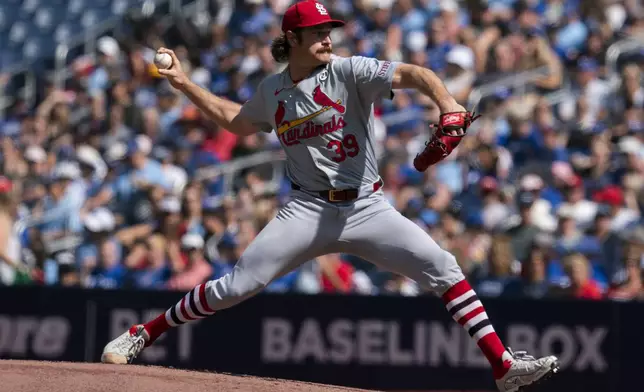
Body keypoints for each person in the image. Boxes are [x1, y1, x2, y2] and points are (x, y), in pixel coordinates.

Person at [101, 2, 559, 390]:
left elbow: (416, 73)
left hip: (366, 206)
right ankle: (142, 332)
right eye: (317, 32)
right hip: (307, 208)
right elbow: (236, 120)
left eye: (328, 31)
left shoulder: (349, 71)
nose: (327, 39)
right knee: (237, 286)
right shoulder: (274, 90)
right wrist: (183, 84)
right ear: (292, 39)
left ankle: (503, 367)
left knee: (443, 267)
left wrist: (449, 104)